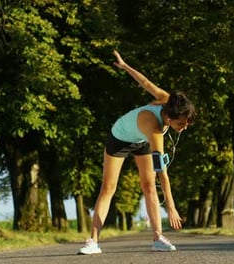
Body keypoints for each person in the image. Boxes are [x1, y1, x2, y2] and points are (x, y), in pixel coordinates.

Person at [77, 50, 196, 255]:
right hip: (120, 139)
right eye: (181, 124)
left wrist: (125, 66)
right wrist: (171, 206)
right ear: (169, 117)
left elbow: (146, 82)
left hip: (141, 141)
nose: (184, 127)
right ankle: (93, 241)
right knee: (108, 188)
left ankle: (158, 237)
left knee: (149, 185)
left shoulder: (167, 100)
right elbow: (163, 172)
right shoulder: (156, 130)